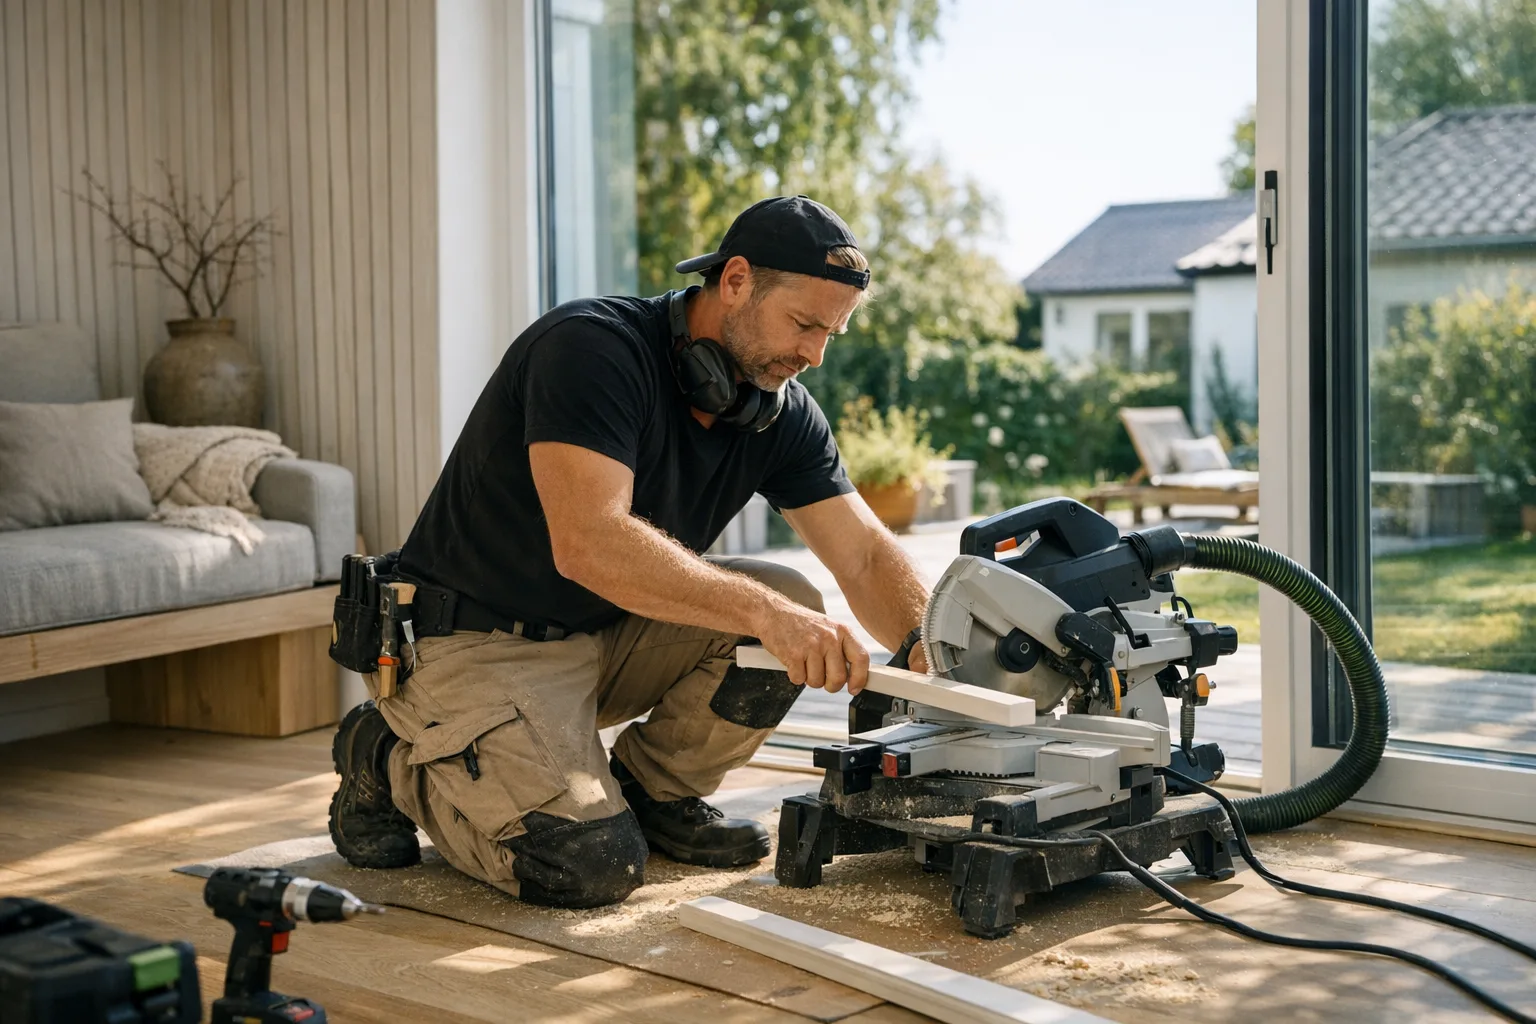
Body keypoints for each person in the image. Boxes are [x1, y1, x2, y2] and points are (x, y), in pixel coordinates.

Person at [328, 195, 932, 909]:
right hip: (469, 642)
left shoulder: (779, 409)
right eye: (804, 324)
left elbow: (863, 555)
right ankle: (389, 755)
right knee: (587, 864)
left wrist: (931, 645)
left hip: (601, 634)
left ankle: (655, 793)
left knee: (790, 601)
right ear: (736, 280)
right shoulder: (591, 348)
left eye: (831, 333)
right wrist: (767, 616)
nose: (814, 355)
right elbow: (590, 543)